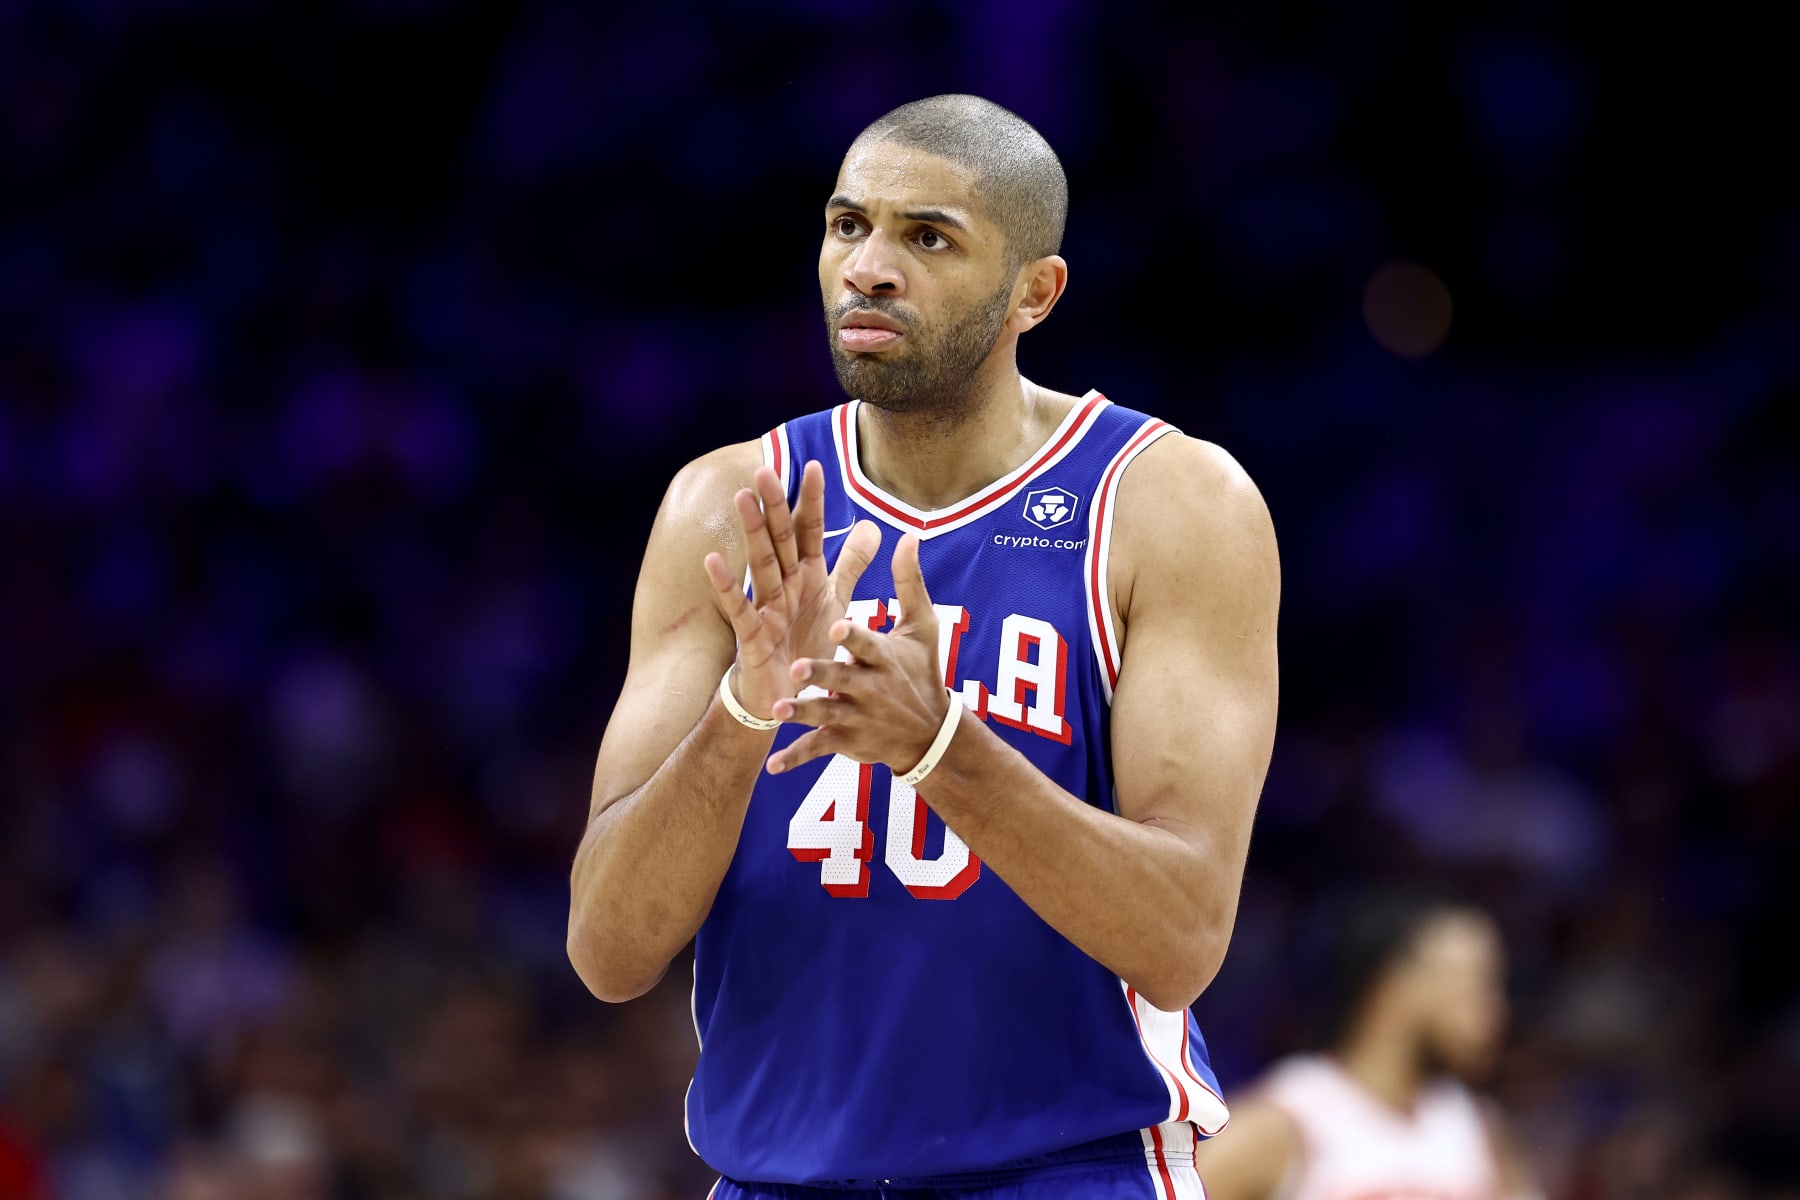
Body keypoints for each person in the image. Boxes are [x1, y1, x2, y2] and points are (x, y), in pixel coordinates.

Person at [566, 93, 1280, 1200]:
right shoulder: (727, 506)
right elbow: (608, 952)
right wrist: (743, 712)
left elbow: (1182, 938)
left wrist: (941, 745)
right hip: (776, 1182)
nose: (869, 269)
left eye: (928, 237)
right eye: (848, 226)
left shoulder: (1168, 505)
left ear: (1034, 293)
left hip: (1070, 1174)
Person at [1194, 891, 1538, 1200]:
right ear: (1392, 987)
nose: (1496, 1011)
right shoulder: (1290, 1118)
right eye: (1474, 987)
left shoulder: (1478, 1128)